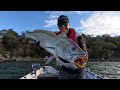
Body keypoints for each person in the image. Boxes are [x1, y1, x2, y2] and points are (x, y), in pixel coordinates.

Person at [54, 15, 88, 79]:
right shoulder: (55, 37)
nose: (63, 27)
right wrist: (41, 44)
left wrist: (81, 63)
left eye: (65, 24)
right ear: (58, 27)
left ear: (69, 24)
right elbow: (50, 49)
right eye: (60, 25)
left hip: (80, 71)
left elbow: (84, 51)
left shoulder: (78, 35)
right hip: (64, 70)